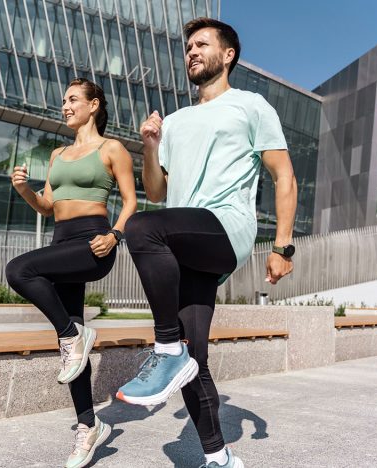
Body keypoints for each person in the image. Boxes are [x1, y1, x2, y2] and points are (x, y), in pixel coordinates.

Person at [116, 17, 298, 468]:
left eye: (202, 44)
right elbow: (157, 192)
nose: (192, 52)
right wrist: (151, 146)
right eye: (188, 47)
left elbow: (284, 175)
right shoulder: (175, 121)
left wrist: (283, 246)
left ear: (228, 55)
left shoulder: (250, 106)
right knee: (195, 362)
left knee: (141, 227)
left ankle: (165, 349)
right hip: (183, 243)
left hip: (225, 227)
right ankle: (219, 457)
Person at [5, 78, 136, 468]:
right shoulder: (58, 154)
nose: (65, 106)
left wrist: (114, 236)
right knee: (73, 355)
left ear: (94, 105)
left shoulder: (112, 149)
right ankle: (88, 426)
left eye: (73, 99)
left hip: (94, 242)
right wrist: (24, 189)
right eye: (64, 100)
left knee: (18, 270)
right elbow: (48, 207)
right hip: (61, 242)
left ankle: (71, 335)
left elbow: (131, 202)